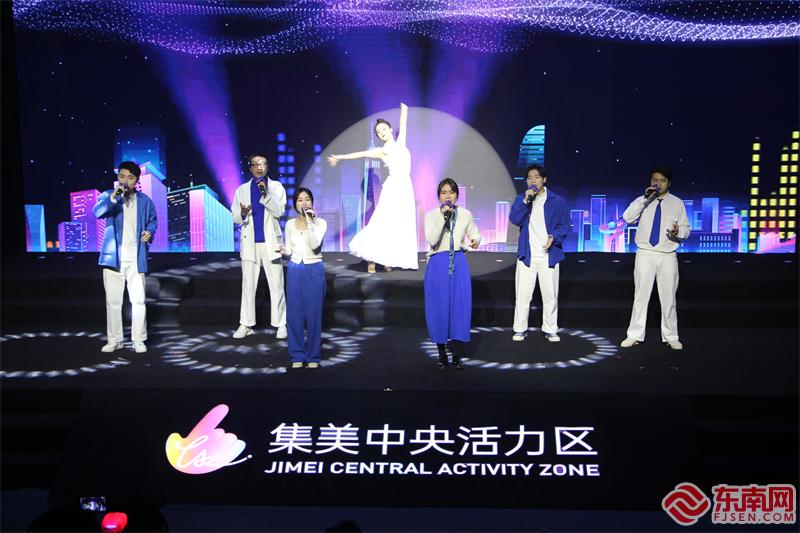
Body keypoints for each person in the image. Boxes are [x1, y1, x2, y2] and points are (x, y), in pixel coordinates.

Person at [327, 103, 418, 272]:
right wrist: (341, 157)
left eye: (384, 129)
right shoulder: (381, 151)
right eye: (378, 132)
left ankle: (388, 258)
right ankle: (371, 259)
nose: (381, 132)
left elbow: (403, 123)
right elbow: (361, 154)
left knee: (400, 223)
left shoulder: (401, 142)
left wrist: (404, 110)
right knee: (383, 221)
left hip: (406, 186)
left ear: (390, 129)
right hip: (393, 186)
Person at [620, 166, 690, 350]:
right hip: (645, 253)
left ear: (669, 183)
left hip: (668, 254)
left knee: (668, 298)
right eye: (655, 180)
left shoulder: (677, 203)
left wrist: (678, 231)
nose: (658, 184)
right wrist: (645, 199)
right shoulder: (643, 200)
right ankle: (634, 335)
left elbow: (686, 230)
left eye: (662, 180)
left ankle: (671, 336)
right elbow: (627, 217)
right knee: (640, 296)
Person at [93, 161, 158, 353]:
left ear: (136, 180)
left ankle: (138, 339)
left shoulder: (145, 200)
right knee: (113, 302)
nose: (125, 181)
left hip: (136, 258)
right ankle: (114, 340)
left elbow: (153, 221)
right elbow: (97, 212)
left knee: (138, 301)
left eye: (130, 177)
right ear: (117, 177)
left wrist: (149, 232)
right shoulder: (109, 196)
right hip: (113, 259)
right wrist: (114, 198)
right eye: (122, 176)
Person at [423, 178, 481, 369]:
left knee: (459, 307)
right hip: (437, 263)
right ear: (439, 196)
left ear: (457, 194)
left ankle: (456, 354)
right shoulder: (431, 215)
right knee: (439, 307)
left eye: (451, 192)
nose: (448, 196)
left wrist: (475, 240)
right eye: (444, 192)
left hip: (458, 261)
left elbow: (475, 233)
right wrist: (443, 217)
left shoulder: (465, 214)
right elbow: (432, 239)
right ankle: (441, 353)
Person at [509, 165, 570, 342]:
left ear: (544, 179)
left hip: (548, 254)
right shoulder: (522, 199)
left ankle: (550, 329)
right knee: (523, 295)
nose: (532, 181)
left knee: (550, 296)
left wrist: (554, 237)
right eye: (529, 178)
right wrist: (525, 201)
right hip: (527, 255)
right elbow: (515, 219)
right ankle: (520, 329)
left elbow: (565, 225)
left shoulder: (557, 201)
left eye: (536, 177)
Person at [231, 154, 287, 339]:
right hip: (250, 243)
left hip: (271, 242)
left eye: (263, 164)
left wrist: (266, 195)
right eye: (255, 164)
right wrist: (242, 213)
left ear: (268, 167)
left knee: (277, 284)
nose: (259, 167)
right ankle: (246, 324)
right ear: (250, 168)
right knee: (248, 285)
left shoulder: (276, 187)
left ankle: (281, 324)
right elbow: (235, 217)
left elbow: (279, 211)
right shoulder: (241, 190)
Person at [280, 188, 327, 369]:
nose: (304, 203)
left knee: (313, 314)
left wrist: (310, 222)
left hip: (314, 268)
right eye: (300, 200)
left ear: (312, 202)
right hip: (294, 269)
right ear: (295, 204)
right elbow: (290, 249)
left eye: (307, 199)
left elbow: (314, 244)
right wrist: (282, 250)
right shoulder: (290, 224)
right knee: (294, 314)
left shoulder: (320, 223)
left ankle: (313, 356)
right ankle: (297, 355)